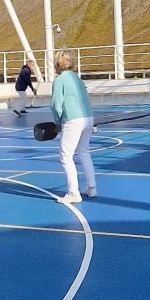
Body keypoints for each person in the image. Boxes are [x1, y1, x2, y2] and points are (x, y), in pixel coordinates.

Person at [51, 50, 96, 204]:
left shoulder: (59, 80)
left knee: (66, 156)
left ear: (58, 63)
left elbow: (56, 105)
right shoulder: (78, 79)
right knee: (84, 152)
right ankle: (92, 187)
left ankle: (73, 193)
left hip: (73, 120)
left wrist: (57, 122)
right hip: (88, 117)